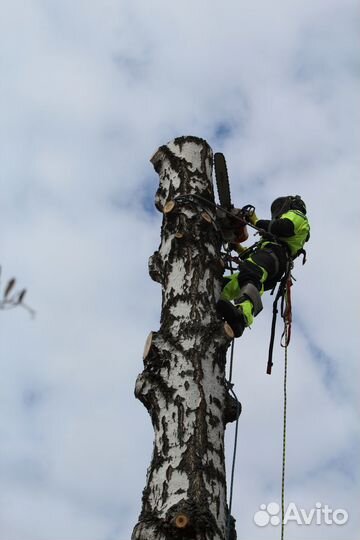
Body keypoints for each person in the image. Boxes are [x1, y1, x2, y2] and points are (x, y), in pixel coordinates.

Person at [216, 195, 310, 337]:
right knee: (229, 284)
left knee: (251, 272)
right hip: (272, 261)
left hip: (274, 256)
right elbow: (254, 257)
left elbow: (283, 226)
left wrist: (256, 220)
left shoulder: (297, 215)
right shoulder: (276, 240)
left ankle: (242, 316)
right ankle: (212, 298)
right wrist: (238, 248)